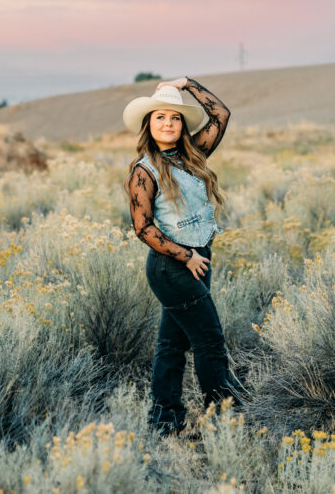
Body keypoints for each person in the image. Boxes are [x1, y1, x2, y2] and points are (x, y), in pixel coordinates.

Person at [123, 76, 244, 436]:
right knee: (210, 342)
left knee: (171, 345)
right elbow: (143, 228)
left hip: (196, 261)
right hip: (171, 266)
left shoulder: (193, 157)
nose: (168, 124)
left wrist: (188, 83)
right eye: (160, 117)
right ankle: (222, 420)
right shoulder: (144, 171)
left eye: (175, 118)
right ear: (148, 124)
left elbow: (220, 114)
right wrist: (186, 256)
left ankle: (165, 420)